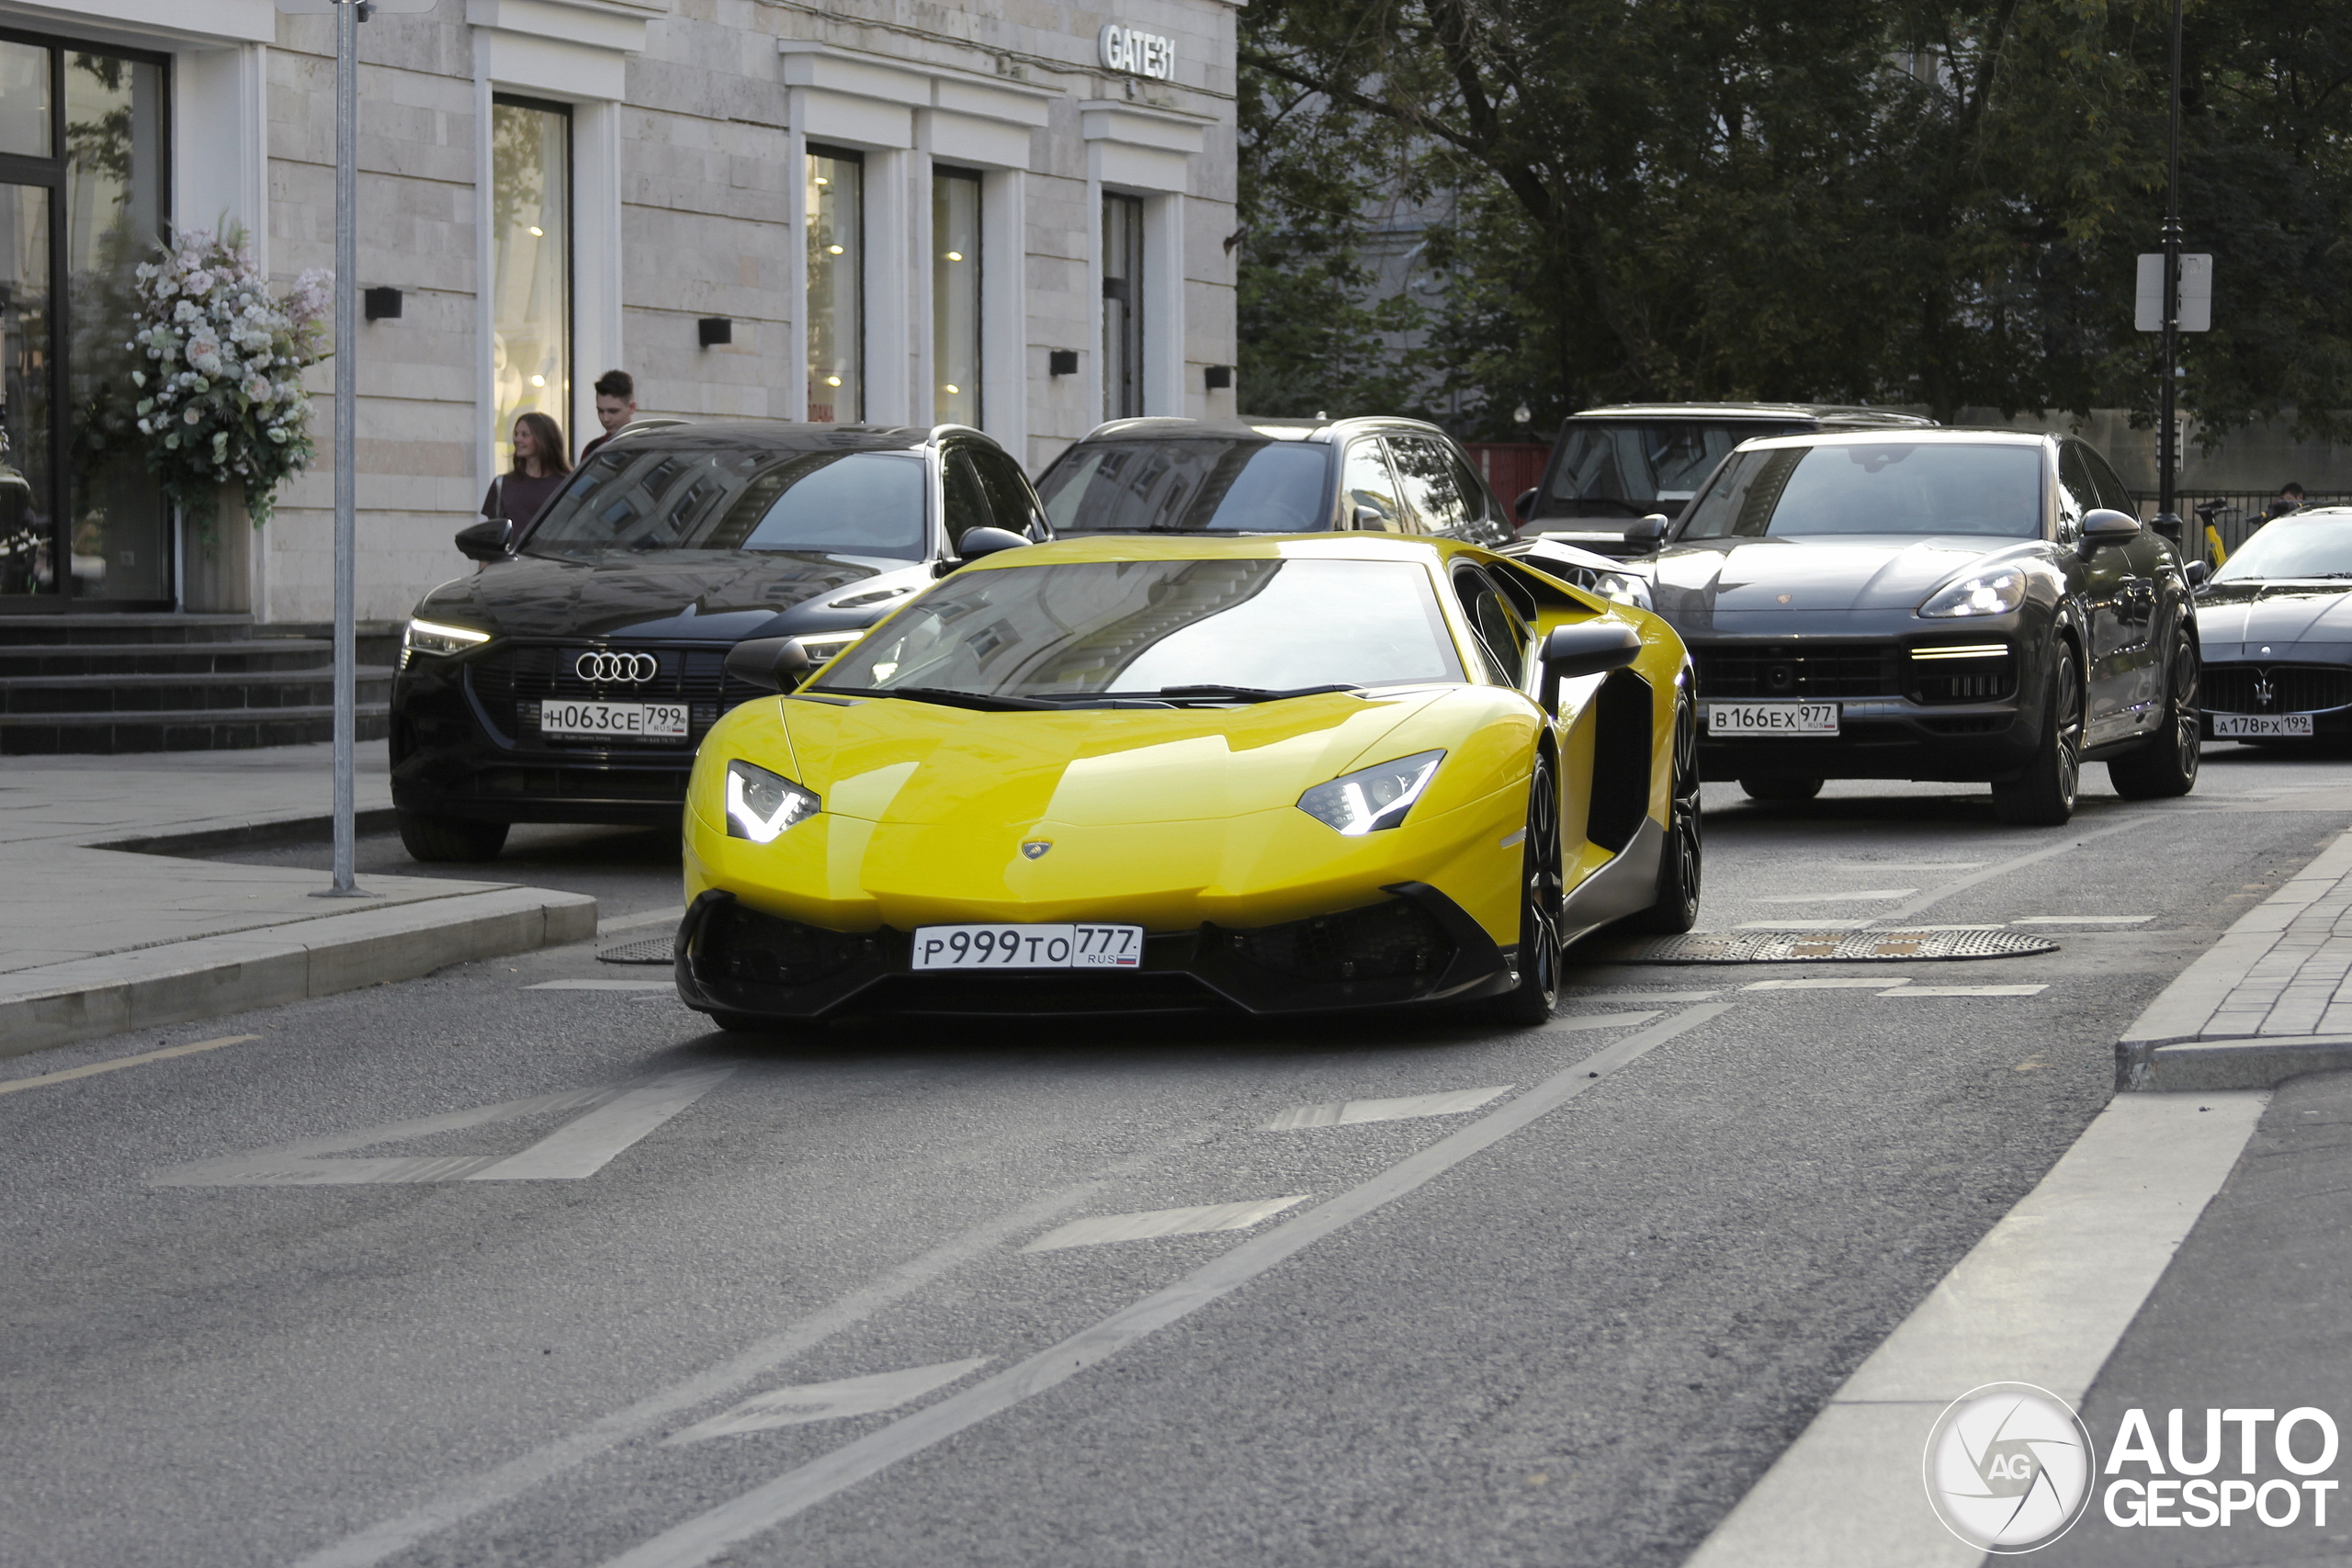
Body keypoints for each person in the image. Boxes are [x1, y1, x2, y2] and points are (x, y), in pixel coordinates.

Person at [481, 411, 571, 531]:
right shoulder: (502, 485)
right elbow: (492, 532)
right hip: (512, 550)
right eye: (516, 434)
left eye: (525, 435)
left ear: (543, 439)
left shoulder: (568, 484)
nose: (517, 439)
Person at [579, 369, 637, 463]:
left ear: (632, 407)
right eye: (601, 411)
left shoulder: (648, 448)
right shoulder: (592, 449)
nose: (605, 419)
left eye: (613, 411)